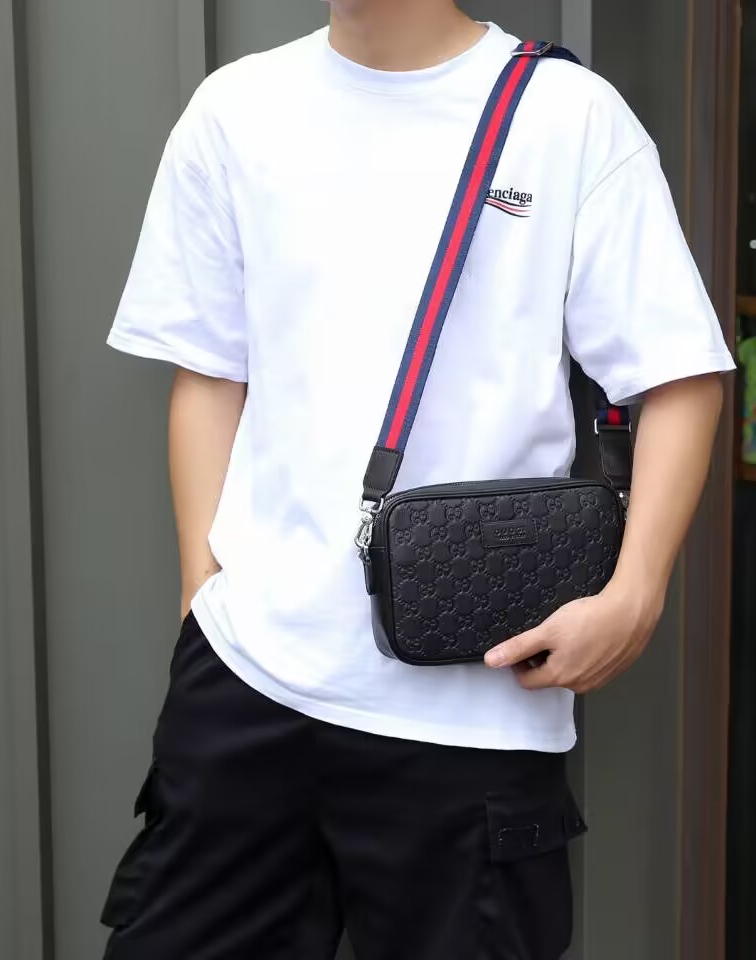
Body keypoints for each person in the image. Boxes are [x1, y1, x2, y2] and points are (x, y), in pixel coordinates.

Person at [100, 1, 734, 958]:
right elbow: (210, 372)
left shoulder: (566, 116)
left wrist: (636, 597)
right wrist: (202, 592)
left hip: (473, 706)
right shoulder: (236, 110)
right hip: (248, 680)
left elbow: (679, 377)